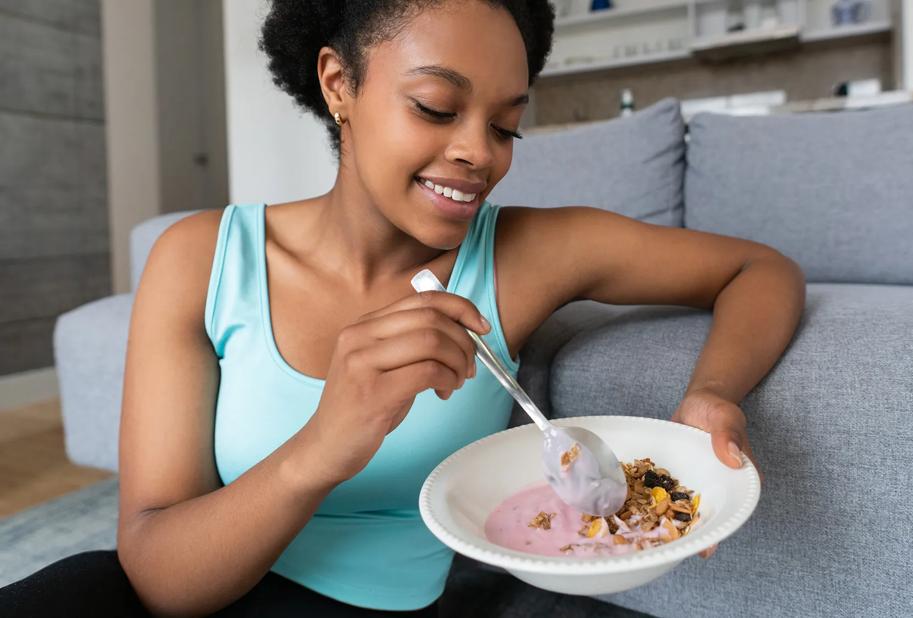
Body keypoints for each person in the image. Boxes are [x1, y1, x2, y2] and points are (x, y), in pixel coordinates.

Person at [0, 0, 804, 615]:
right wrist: (325, 443)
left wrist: (713, 393)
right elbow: (163, 577)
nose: (478, 153)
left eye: (506, 126)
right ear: (338, 84)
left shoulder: (526, 254)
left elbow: (757, 269)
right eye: (435, 106)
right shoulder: (200, 258)